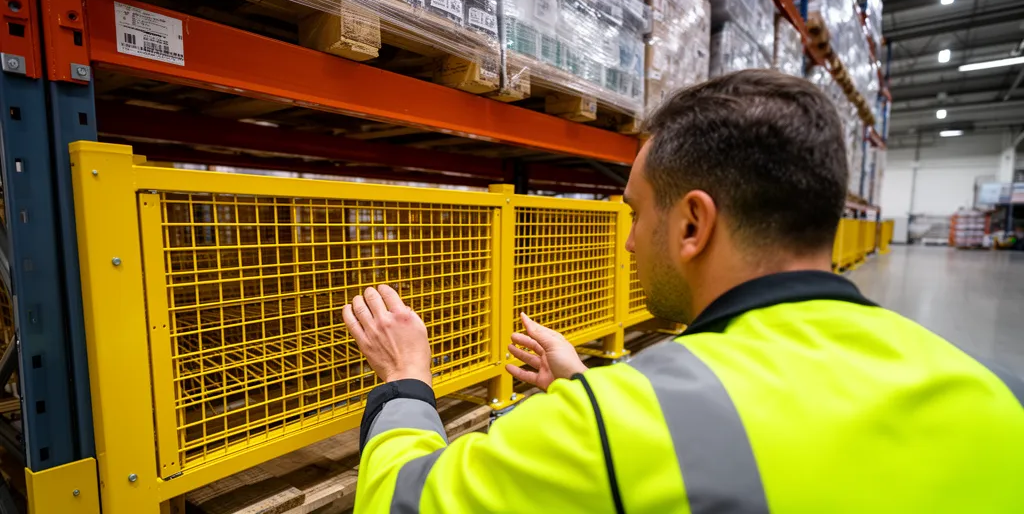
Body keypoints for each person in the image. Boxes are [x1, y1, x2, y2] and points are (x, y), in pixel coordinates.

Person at [341, 70, 1024, 513]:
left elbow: (403, 503)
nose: (630, 241)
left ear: (694, 222)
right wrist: (587, 381)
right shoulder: (996, 392)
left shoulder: (610, 432)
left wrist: (406, 380)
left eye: (638, 214)